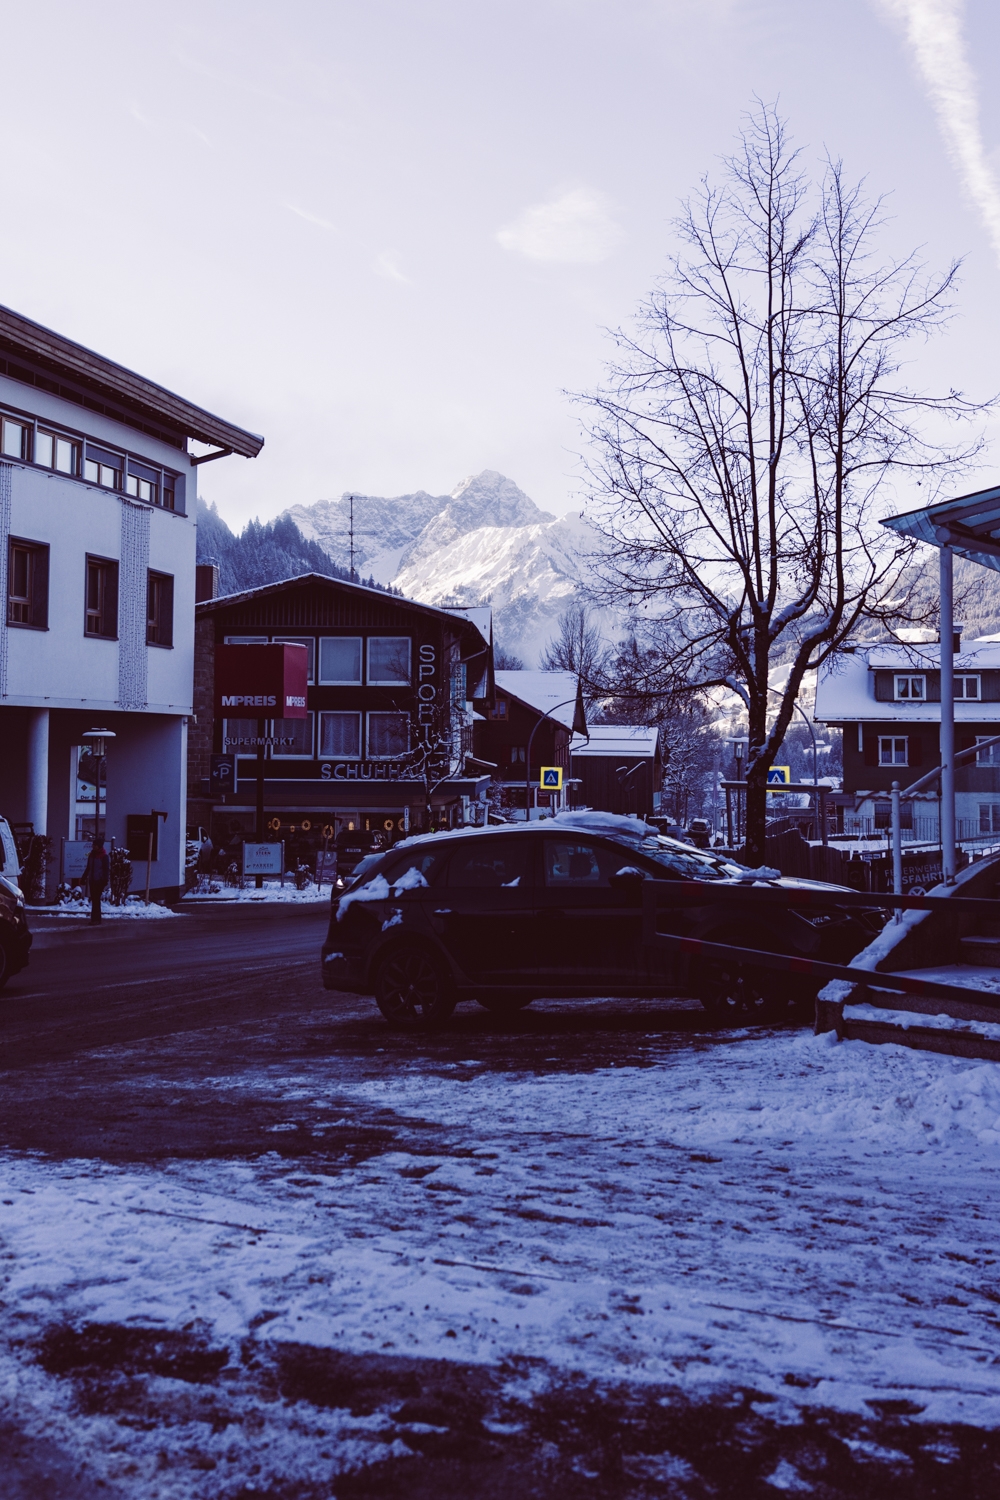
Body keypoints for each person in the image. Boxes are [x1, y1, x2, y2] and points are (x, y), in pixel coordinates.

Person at [82, 837, 110, 924]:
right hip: (92, 880)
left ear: (99, 846)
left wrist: (105, 880)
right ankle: (94, 919)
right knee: (94, 899)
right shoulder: (91, 855)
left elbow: (106, 869)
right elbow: (88, 867)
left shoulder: (104, 856)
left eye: (95, 845)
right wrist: (84, 877)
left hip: (99, 881)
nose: (93, 846)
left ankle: (97, 919)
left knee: (96, 899)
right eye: (93, 844)